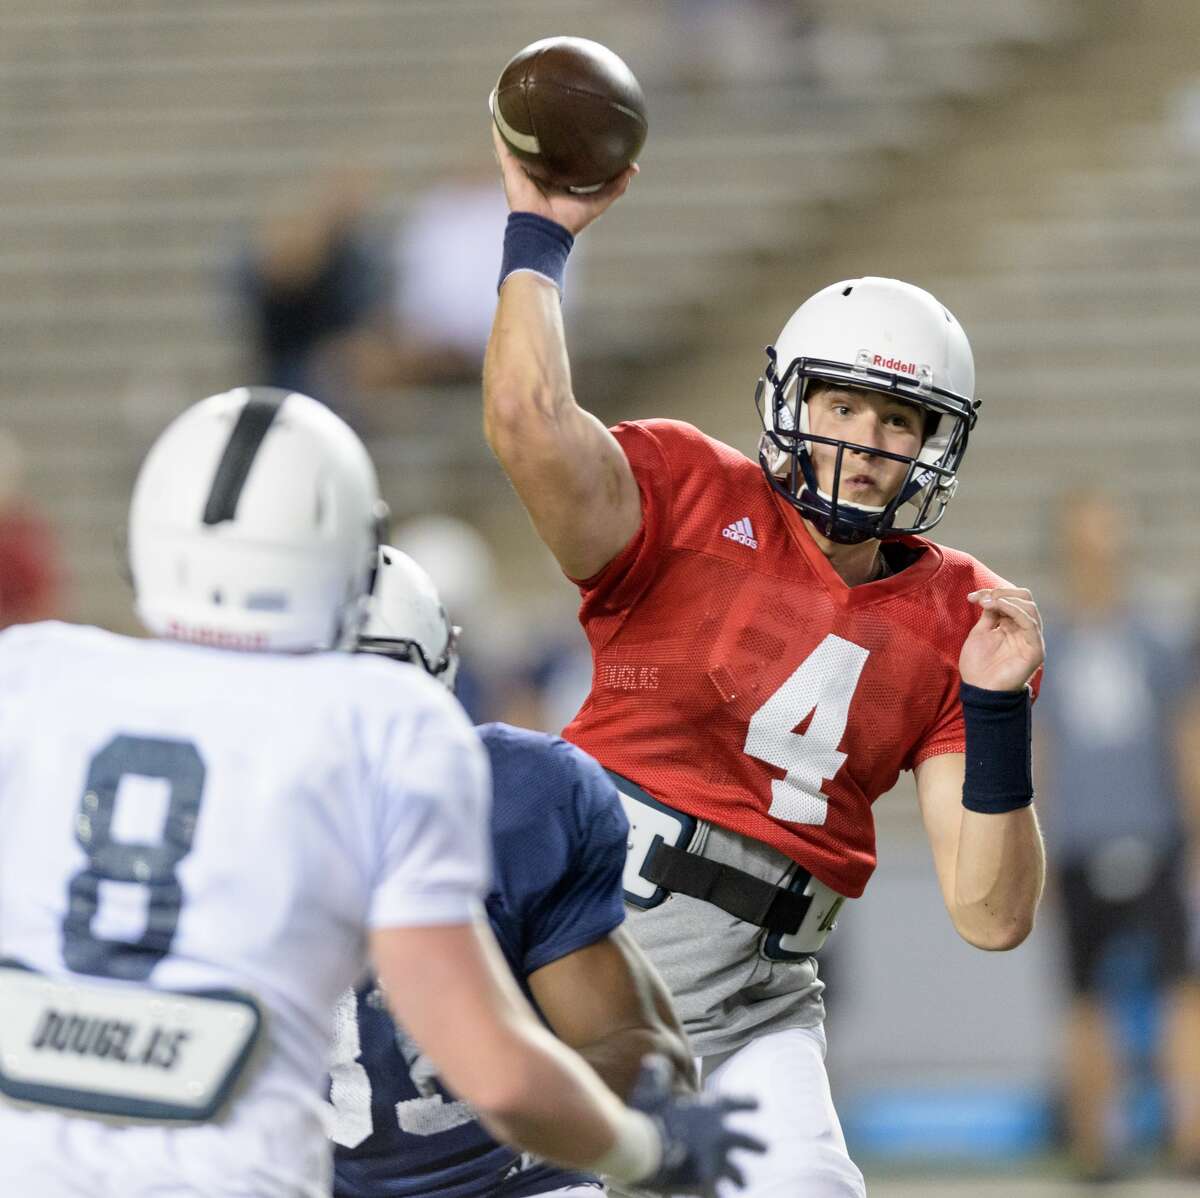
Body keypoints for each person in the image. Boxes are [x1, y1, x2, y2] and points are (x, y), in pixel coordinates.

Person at [0, 387, 760, 1198]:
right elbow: (498, 1074)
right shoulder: (380, 726)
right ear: (345, 556)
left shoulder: (34, 672)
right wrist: (649, 1152)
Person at [483, 124, 1047, 1198]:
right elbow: (524, 417)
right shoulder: (690, 491)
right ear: (790, 401)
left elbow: (991, 913)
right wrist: (540, 235)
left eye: (898, 418)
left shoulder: (959, 616)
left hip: (757, 1001)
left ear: (936, 444)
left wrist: (998, 709)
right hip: (577, 956)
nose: (866, 441)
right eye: (843, 403)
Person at [330, 546, 696, 1197]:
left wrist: (572, 1100)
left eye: (377, 682)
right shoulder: (199, 815)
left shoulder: (521, 799)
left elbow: (639, 1049)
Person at [1036, 486, 1200, 1182]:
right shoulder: (1048, 638)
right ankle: (1095, 1148)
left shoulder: (1156, 636)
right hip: (1076, 840)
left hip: (1154, 834)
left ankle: (1190, 1139)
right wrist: (1030, 846)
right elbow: (1037, 750)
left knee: (1180, 990)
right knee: (1084, 998)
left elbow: (1185, 737)